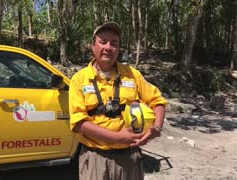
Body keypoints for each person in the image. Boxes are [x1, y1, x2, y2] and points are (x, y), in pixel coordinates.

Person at [69, 22, 167, 180]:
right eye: (103, 42)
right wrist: (116, 138)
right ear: (92, 46)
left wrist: (156, 128)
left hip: (129, 158)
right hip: (95, 158)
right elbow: (79, 123)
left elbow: (158, 101)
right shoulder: (79, 80)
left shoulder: (132, 74)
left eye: (114, 43)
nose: (108, 47)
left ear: (118, 49)